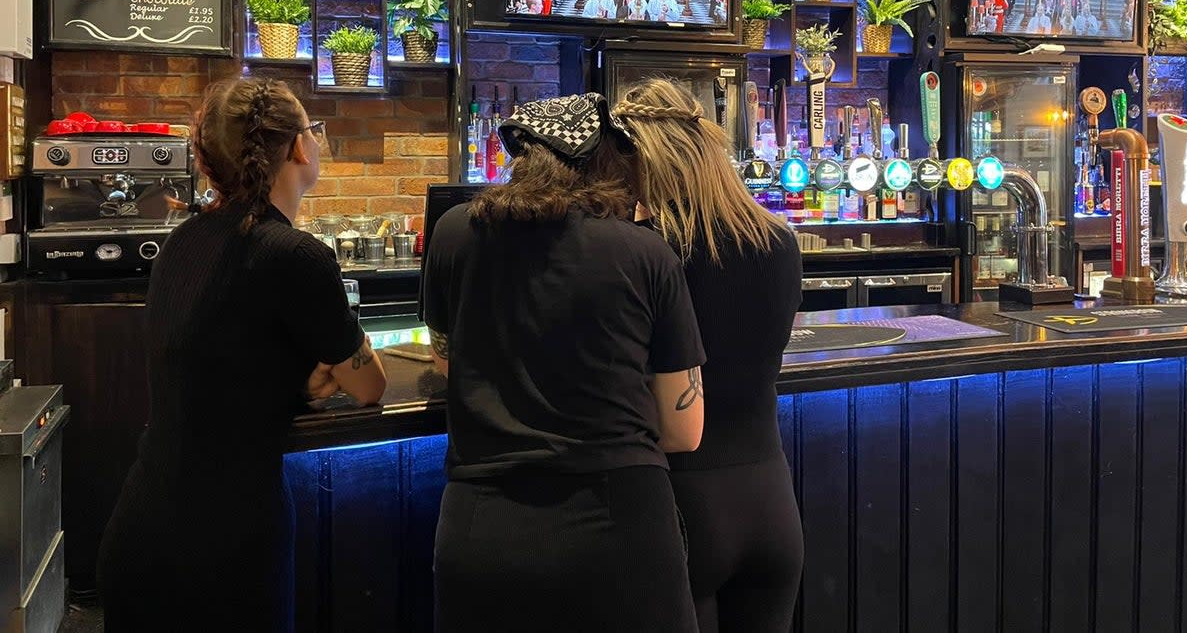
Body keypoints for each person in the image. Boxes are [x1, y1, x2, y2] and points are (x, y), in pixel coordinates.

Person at [97, 77, 387, 631]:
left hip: (141, 531)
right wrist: (325, 363)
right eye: (315, 130)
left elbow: (218, 364)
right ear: (300, 147)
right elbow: (369, 387)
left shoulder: (182, 242)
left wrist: (291, 378)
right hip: (223, 554)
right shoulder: (297, 255)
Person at [424, 93, 706, 633]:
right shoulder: (646, 254)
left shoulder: (455, 232)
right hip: (619, 525)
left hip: (482, 526)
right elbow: (682, 428)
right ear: (605, 161)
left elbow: (447, 361)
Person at [612, 79, 804, 633]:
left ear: (642, 161)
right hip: (770, 501)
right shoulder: (779, 240)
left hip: (678, 503)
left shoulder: (643, 251)